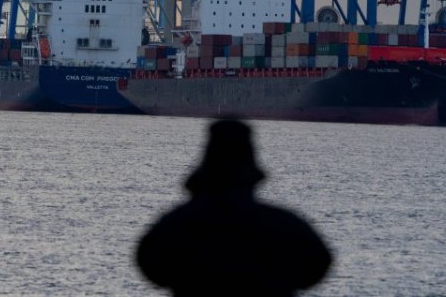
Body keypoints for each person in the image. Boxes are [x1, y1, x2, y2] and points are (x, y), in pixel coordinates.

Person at [136, 119, 332, 295]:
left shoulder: (178, 222)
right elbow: (318, 264)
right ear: (252, 167)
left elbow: (149, 264)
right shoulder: (284, 223)